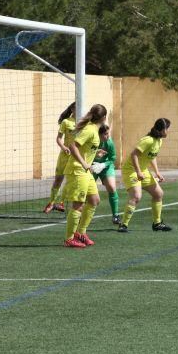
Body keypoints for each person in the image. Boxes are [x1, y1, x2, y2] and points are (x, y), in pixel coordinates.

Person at [62, 104, 108, 248]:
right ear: (104, 117)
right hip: (77, 170)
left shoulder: (94, 130)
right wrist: (83, 163)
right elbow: (73, 146)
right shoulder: (89, 130)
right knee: (78, 205)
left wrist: (96, 152)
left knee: (94, 200)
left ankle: (80, 233)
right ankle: (69, 239)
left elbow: (85, 148)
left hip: (85, 172)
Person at [118, 118, 172, 232]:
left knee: (159, 194)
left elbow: (151, 156)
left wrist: (157, 172)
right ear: (162, 130)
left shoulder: (159, 141)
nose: (168, 131)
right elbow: (134, 155)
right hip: (131, 170)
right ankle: (123, 225)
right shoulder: (147, 140)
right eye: (167, 129)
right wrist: (138, 172)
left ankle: (157, 223)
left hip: (143, 170)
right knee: (136, 196)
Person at [43, 102, 76, 213]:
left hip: (76, 156)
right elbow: (58, 138)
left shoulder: (83, 123)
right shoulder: (66, 122)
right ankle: (51, 202)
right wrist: (63, 147)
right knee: (58, 179)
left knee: (71, 180)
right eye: (76, 107)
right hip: (65, 155)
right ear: (72, 109)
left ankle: (61, 203)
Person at [93, 124, 120, 225]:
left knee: (112, 187)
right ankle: (81, 214)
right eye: (105, 134)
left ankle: (116, 215)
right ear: (99, 134)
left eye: (108, 133)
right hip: (92, 166)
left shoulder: (109, 142)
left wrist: (103, 164)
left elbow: (112, 158)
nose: (108, 136)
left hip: (105, 167)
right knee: (87, 190)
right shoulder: (93, 141)